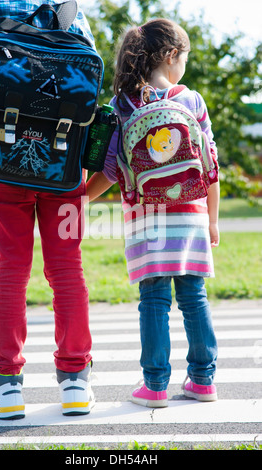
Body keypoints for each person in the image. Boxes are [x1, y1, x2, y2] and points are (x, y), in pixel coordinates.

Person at [0, 0, 95, 419]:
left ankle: (5, 387)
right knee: (67, 269)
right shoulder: (68, 9)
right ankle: (76, 382)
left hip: (2, 164)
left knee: (10, 271)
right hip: (64, 167)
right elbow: (86, 99)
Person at [87, 18, 219, 407]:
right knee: (194, 296)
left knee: (155, 300)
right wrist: (212, 218)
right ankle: (203, 380)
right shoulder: (191, 100)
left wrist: (80, 199)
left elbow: (110, 170)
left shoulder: (122, 105)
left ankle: (156, 385)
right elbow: (211, 165)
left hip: (148, 220)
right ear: (171, 55)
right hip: (192, 215)